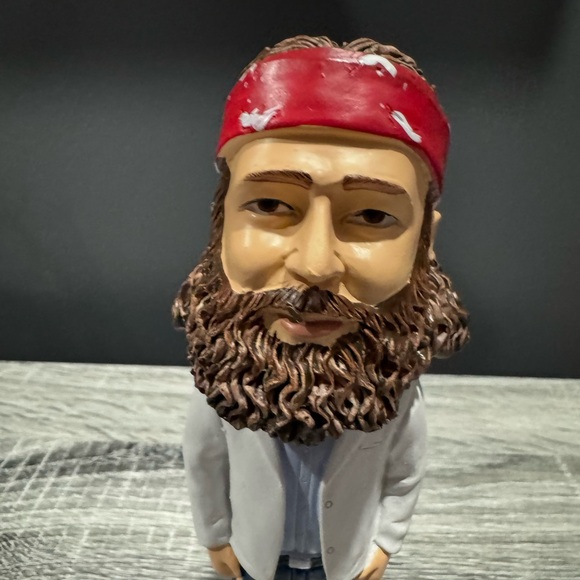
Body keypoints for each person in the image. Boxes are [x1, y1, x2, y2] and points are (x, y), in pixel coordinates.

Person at [173, 35, 469, 580]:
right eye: (269, 204)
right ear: (221, 228)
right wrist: (215, 537)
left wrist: (384, 543)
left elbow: (405, 473)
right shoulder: (219, 388)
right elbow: (204, 465)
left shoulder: (395, 392)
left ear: (425, 243)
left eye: (373, 216)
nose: (314, 266)